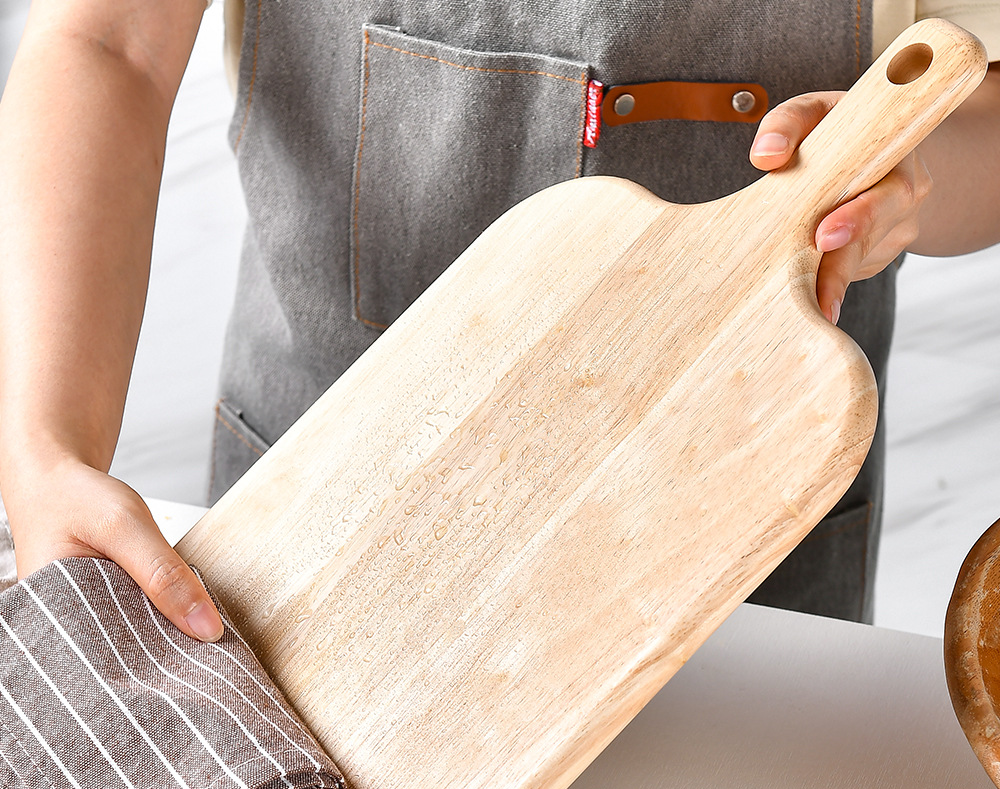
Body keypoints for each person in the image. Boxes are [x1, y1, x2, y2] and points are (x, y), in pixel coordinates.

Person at [0, 1, 999, 642]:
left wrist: (892, 183)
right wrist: (46, 449)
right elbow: (108, 42)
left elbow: (978, 144)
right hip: (313, 525)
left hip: (742, 574)